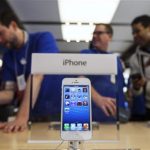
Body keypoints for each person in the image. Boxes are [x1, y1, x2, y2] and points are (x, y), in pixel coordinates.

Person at [0, 10, 63, 132]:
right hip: (32, 115)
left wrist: (22, 117)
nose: (0, 40)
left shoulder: (43, 39)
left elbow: (37, 75)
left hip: (55, 113)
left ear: (13, 25)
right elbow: (8, 93)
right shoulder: (8, 56)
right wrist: (23, 117)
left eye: (1, 33)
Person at [80, 23, 128, 122]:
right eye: (94, 33)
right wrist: (98, 99)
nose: (94, 36)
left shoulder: (117, 60)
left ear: (109, 36)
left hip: (116, 117)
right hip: (93, 116)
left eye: (99, 33)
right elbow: (79, 79)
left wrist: (123, 112)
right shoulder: (86, 54)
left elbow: (120, 87)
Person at [127, 15, 150, 120]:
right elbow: (136, 91)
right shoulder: (134, 59)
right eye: (133, 32)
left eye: (138, 31)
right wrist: (137, 87)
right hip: (145, 111)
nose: (135, 35)